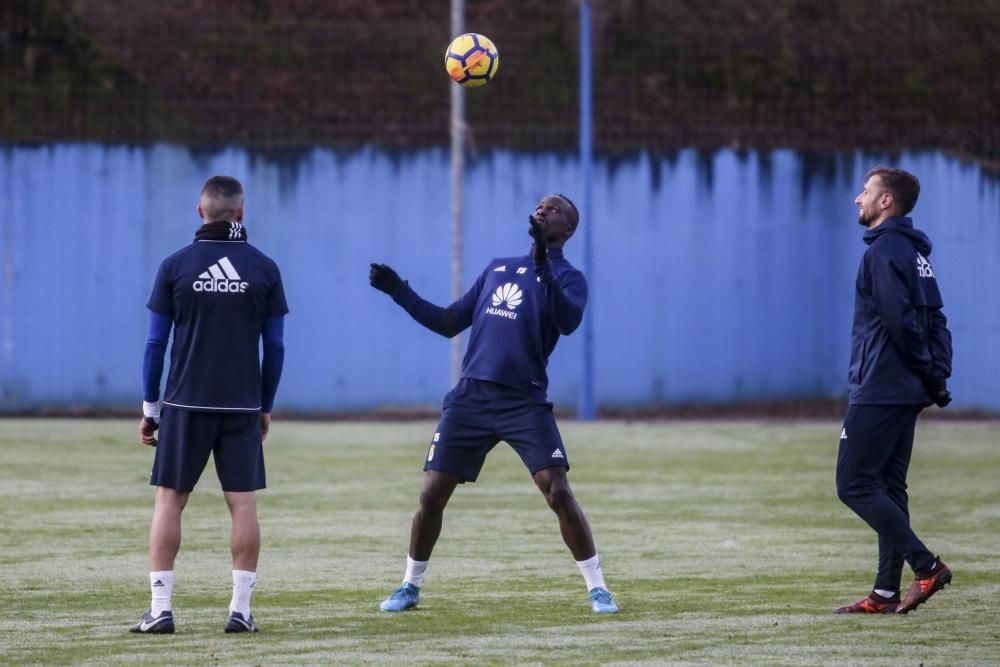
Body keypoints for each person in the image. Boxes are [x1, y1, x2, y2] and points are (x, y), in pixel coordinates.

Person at [369, 194, 618, 614]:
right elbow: (450, 322)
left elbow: (569, 322)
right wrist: (400, 292)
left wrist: (543, 264)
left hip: (524, 401)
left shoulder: (569, 277)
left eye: (555, 208)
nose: (544, 209)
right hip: (471, 398)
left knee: (557, 490)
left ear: (568, 229)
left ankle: (598, 587)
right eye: (541, 205)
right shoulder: (498, 267)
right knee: (431, 493)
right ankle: (410, 586)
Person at [131, 176, 288, 634]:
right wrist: (265, 404)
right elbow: (275, 348)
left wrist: (150, 408)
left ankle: (160, 611)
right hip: (241, 405)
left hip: (183, 402)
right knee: (242, 506)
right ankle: (240, 612)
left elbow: (155, 342)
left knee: (169, 502)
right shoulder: (263, 268)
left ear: (200, 213)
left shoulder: (175, 266)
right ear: (241, 213)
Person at [835, 166, 953, 615]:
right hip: (905, 388)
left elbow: (899, 321)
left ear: (886, 201)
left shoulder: (883, 252)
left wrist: (925, 370)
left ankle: (926, 566)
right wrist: (935, 377)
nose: (857, 198)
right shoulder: (914, 253)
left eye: (865, 191)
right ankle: (885, 592)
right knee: (887, 485)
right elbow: (936, 320)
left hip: (881, 387)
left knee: (853, 484)